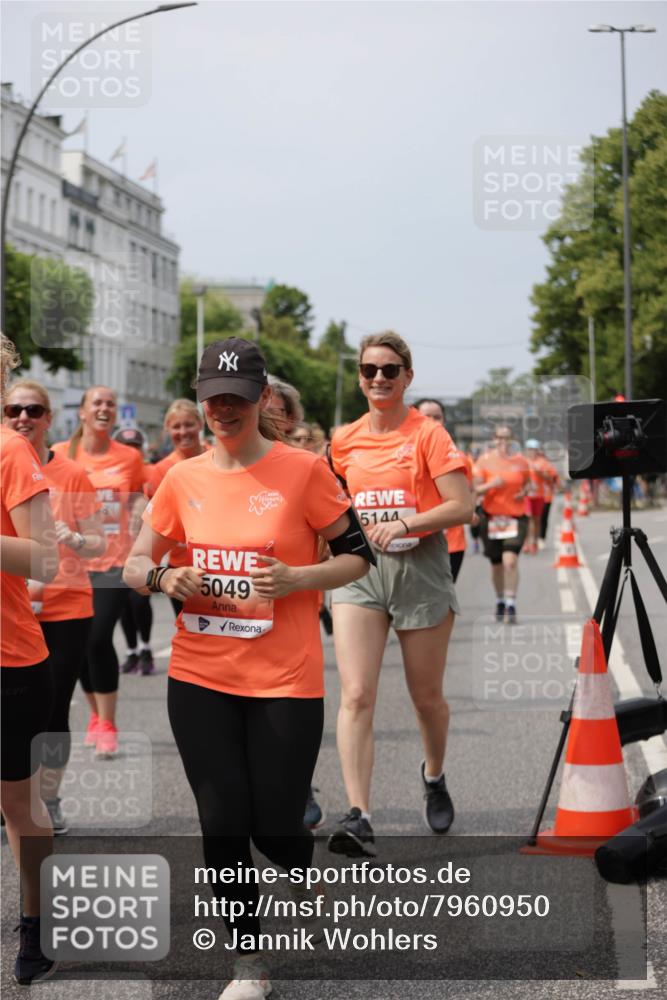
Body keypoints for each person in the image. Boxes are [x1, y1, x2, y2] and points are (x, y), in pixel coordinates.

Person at [123, 338, 371, 999]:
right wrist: (163, 576)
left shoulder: (304, 471)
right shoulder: (182, 478)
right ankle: (248, 961)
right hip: (200, 677)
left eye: (236, 397)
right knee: (222, 822)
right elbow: (133, 563)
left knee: (276, 826)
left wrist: (297, 577)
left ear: (262, 398)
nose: (223, 410)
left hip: (285, 679)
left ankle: (299, 866)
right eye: (213, 399)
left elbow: (358, 557)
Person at [328, 332, 472, 858]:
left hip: (421, 568)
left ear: (407, 377)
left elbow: (462, 506)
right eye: (370, 370)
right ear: (360, 378)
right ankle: (359, 815)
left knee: (426, 698)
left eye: (390, 370)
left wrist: (408, 522)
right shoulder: (343, 440)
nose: (379, 378)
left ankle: (434, 774)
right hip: (361, 571)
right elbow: (332, 504)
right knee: (356, 694)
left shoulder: (428, 434)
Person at [4, 380, 105, 835]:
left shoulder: (72, 473)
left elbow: (100, 542)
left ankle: (47, 797)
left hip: (65, 605)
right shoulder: (5, 459)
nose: (23, 417)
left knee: (54, 708)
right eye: (14, 409)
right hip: (15, 608)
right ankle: (16, 797)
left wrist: (75, 538)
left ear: (48, 417)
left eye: (33, 409)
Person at [0, 335, 59, 984]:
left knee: (17, 807)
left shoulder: (10, 450)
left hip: (9, 660)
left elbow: (45, 558)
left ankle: (36, 921)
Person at [53, 386, 145, 757]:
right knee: (76, 644)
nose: (105, 408)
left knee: (96, 637)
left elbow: (139, 494)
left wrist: (140, 507)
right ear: (83, 411)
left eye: (111, 403)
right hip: (69, 562)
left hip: (113, 559)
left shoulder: (130, 457)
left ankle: (107, 723)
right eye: (97, 403)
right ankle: (94, 713)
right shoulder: (61, 453)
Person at [145, 398, 209, 619]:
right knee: (190, 629)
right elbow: (157, 523)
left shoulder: (221, 457)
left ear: (200, 423)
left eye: (189, 424)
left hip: (221, 562)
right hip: (181, 569)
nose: (183, 432)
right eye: (176, 426)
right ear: (167, 430)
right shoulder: (161, 470)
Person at [473, 425, 530, 624]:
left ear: (513, 439)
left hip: (515, 518)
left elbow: (528, 484)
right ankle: (500, 600)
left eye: (507, 437)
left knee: (510, 561)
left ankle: (511, 604)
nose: (503, 441)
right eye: (499, 437)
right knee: (497, 565)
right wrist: (491, 485)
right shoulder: (483, 460)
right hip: (491, 518)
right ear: (494, 439)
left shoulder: (521, 461)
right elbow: (475, 490)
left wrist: (524, 492)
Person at [415, 397, 475, 582]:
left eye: (437, 417)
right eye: (427, 416)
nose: (433, 421)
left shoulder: (459, 458)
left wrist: (471, 512)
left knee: (444, 595)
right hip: (415, 541)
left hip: (452, 542)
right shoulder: (403, 457)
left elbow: (468, 495)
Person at [114, 427, 156, 676]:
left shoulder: (150, 473)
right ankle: (131, 651)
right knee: (123, 606)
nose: (132, 452)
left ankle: (146, 648)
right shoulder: (111, 475)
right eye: (126, 447)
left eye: (136, 447)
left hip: (143, 550)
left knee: (139, 601)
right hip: (116, 552)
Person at [522, 438, 551, 554]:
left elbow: (549, 479)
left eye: (534, 449)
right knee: (528, 518)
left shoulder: (543, 462)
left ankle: (535, 541)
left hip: (539, 495)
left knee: (537, 520)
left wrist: (540, 473)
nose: (532, 452)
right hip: (527, 496)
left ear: (537, 450)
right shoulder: (523, 461)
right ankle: (527, 542)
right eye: (530, 449)